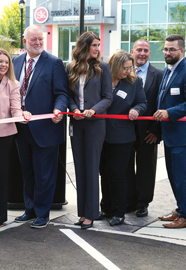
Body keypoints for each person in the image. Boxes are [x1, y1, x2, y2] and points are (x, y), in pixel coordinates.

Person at [13, 25, 69, 229]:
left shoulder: (54, 63)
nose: (37, 43)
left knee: (44, 174)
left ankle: (43, 214)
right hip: (22, 128)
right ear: (25, 41)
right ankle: (30, 210)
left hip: (46, 128)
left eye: (40, 39)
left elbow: (62, 93)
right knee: (27, 172)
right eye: (33, 39)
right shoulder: (16, 61)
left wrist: (58, 110)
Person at [155, 34, 186, 229]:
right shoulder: (169, 70)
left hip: (183, 135)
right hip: (170, 134)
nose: (168, 52)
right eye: (166, 49)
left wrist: (169, 112)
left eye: (172, 49)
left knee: (181, 176)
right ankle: (181, 209)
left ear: (182, 51)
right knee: (174, 176)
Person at [66, 31, 112, 230]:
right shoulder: (70, 67)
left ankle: (91, 214)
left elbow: (108, 97)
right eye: (94, 45)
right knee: (79, 168)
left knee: (92, 168)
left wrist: (94, 110)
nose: (97, 49)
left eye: (98, 45)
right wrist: (74, 109)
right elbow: (66, 94)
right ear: (84, 46)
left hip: (95, 124)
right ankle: (82, 213)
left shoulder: (103, 67)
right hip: (77, 123)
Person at [0, 48, 30, 228]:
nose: (4, 65)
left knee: (0, 175)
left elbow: (16, 109)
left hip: (2, 135)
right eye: (0, 61)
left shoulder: (13, 84)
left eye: (7, 62)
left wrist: (23, 116)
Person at [99, 50, 147, 226]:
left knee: (117, 174)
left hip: (122, 136)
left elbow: (142, 102)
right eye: (125, 68)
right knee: (104, 172)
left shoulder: (134, 82)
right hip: (100, 134)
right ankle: (106, 208)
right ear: (115, 66)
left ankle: (119, 213)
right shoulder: (101, 78)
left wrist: (137, 110)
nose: (128, 71)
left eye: (130, 68)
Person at [126, 39, 163, 217]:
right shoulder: (123, 72)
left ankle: (143, 203)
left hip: (148, 131)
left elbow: (163, 103)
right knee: (125, 167)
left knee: (146, 169)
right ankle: (129, 201)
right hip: (124, 130)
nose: (142, 53)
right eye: (139, 50)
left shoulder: (160, 74)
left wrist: (157, 130)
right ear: (132, 51)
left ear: (150, 53)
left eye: (146, 50)